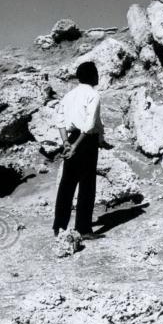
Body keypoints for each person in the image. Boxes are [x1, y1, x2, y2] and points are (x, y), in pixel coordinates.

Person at [53, 61, 112, 238]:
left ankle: (59, 226)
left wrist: (66, 143)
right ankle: (83, 228)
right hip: (85, 141)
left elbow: (60, 120)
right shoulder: (93, 94)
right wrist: (77, 146)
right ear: (93, 76)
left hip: (71, 138)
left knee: (67, 184)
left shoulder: (69, 95)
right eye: (97, 73)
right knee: (87, 184)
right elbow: (89, 125)